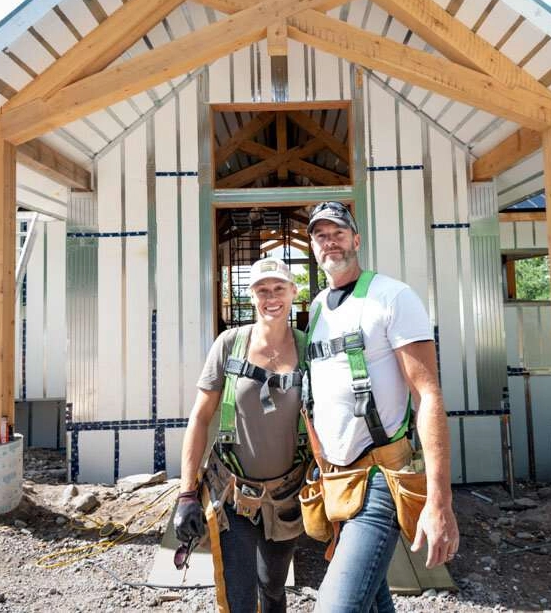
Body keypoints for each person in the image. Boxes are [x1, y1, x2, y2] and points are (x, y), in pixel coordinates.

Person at [304, 201, 460, 613]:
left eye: (338, 233)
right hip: (335, 480)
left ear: (356, 240)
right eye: (320, 235)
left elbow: (427, 396)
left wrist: (438, 500)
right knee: (372, 601)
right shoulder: (318, 306)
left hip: (379, 476)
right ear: (314, 248)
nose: (329, 242)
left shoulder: (392, 296)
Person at [174, 257, 307, 613]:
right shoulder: (229, 345)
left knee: (274, 588)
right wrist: (187, 493)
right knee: (239, 597)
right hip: (233, 496)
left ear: (294, 292)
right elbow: (200, 418)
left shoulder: (309, 349)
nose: (271, 296)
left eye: (279, 288)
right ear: (252, 297)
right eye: (262, 290)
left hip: (287, 496)